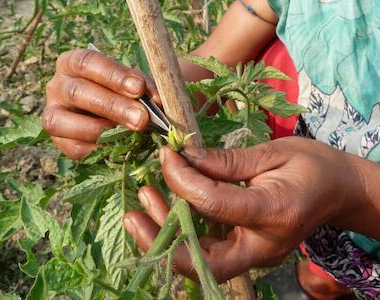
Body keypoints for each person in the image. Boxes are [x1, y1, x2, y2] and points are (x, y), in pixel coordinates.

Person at [43, 0, 380, 298]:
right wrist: (155, 101)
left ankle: (326, 282)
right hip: (295, 177)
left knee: (349, 263)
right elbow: (255, 14)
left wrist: (356, 190)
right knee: (324, 260)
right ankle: (318, 279)